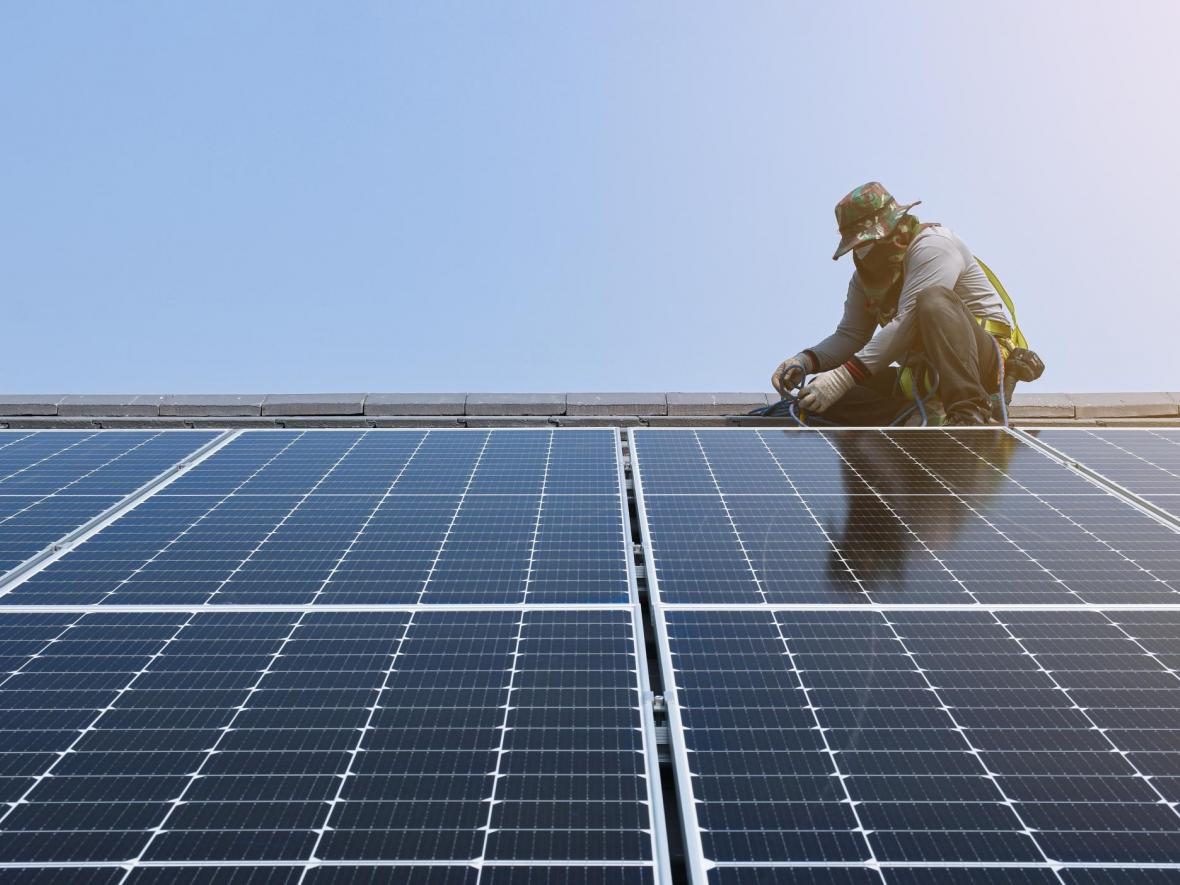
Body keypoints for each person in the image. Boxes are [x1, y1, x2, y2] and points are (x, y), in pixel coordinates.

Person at [771, 182, 1041, 426]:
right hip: (923, 380)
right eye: (859, 246)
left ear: (891, 229)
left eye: (868, 242)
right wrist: (804, 361)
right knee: (818, 397)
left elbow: (909, 319)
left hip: (978, 365)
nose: (864, 252)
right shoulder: (865, 280)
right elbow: (851, 335)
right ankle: (912, 418)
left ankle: (969, 414)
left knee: (933, 300)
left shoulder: (933, 245)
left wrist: (842, 378)